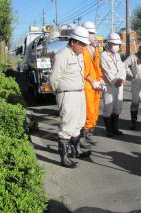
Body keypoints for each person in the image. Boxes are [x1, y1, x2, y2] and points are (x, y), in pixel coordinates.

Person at [50, 26, 91, 168]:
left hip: (79, 93)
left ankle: (76, 151)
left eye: (85, 45)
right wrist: (60, 95)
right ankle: (64, 158)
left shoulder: (78, 55)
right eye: (82, 44)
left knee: (78, 124)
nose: (84, 48)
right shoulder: (62, 55)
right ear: (73, 42)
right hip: (68, 95)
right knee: (67, 127)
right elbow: (53, 79)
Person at [81, 21, 105, 148]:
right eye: (90, 33)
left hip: (96, 84)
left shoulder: (94, 48)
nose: (92, 35)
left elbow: (97, 66)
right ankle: (83, 136)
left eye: (93, 33)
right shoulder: (82, 49)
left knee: (95, 110)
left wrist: (100, 78)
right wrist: (92, 81)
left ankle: (90, 134)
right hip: (87, 84)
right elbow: (82, 69)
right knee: (88, 110)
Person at [100, 32, 126, 137]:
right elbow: (106, 71)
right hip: (109, 85)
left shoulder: (118, 56)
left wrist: (122, 79)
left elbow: (122, 69)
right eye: (115, 44)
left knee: (118, 107)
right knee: (108, 108)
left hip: (119, 84)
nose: (117, 46)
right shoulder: (103, 55)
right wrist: (116, 80)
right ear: (109, 44)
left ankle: (115, 128)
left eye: (118, 44)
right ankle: (108, 129)